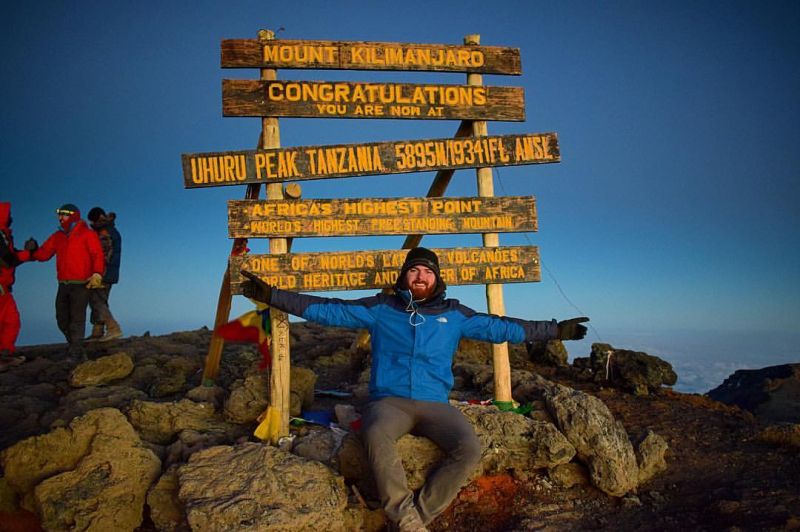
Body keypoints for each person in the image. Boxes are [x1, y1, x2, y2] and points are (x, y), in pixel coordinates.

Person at [239, 247, 588, 531]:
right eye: (414, 271)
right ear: (405, 277)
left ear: (437, 279)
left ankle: (415, 519)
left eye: (428, 272)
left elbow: (503, 328)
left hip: (436, 404)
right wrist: (272, 296)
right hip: (390, 402)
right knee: (375, 434)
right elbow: (329, 311)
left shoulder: (454, 314)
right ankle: (403, 514)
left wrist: (556, 331)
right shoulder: (381, 309)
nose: (421, 277)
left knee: (468, 449)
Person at [32, 204, 105, 360]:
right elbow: (44, 254)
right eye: (59, 214)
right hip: (63, 284)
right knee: (62, 318)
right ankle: (76, 347)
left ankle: (75, 353)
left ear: (73, 215)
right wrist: (31, 251)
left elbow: (97, 255)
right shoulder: (58, 236)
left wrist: (97, 273)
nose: (60, 218)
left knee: (77, 319)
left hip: (81, 284)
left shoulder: (87, 234)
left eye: (64, 215)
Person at [0, 202, 37, 370]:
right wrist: (28, 253)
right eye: (8, 214)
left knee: (11, 321)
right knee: (9, 321)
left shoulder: (4, 235)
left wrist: (27, 253)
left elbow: (12, 256)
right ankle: (4, 355)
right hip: (1, 288)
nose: (11, 217)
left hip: (4, 288)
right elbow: (9, 260)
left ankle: (5, 354)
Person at [86, 207, 122, 341]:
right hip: (109, 272)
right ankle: (98, 331)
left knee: (97, 300)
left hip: (103, 272)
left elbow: (103, 253)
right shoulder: (109, 230)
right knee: (98, 300)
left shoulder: (104, 232)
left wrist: (97, 272)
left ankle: (113, 328)